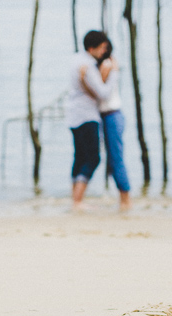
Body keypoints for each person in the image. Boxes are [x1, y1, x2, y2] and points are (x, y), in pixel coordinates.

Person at [67, 31, 111, 208]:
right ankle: (78, 200)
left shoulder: (74, 60)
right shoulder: (88, 65)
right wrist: (112, 74)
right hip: (87, 115)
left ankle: (75, 198)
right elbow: (103, 93)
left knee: (79, 157)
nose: (103, 52)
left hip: (72, 114)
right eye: (102, 48)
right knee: (93, 158)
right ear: (92, 48)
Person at [93, 40, 131, 209]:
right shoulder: (108, 64)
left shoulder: (107, 65)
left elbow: (100, 91)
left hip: (111, 115)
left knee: (116, 158)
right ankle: (123, 198)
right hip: (109, 115)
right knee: (113, 158)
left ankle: (125, 199)